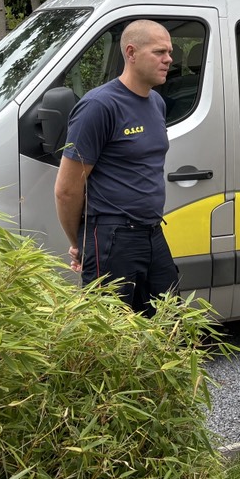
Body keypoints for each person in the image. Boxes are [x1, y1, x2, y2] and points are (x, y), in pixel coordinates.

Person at [54, 19, 178, 317]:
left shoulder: (156, 103)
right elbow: (67, 190)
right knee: (110, 335)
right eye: (160, 52)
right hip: (112, 237)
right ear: (131, 52)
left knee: (169, 322)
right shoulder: (99, 106)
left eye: (170, 52)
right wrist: (79, 243)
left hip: (152, 233)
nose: (169, 59)